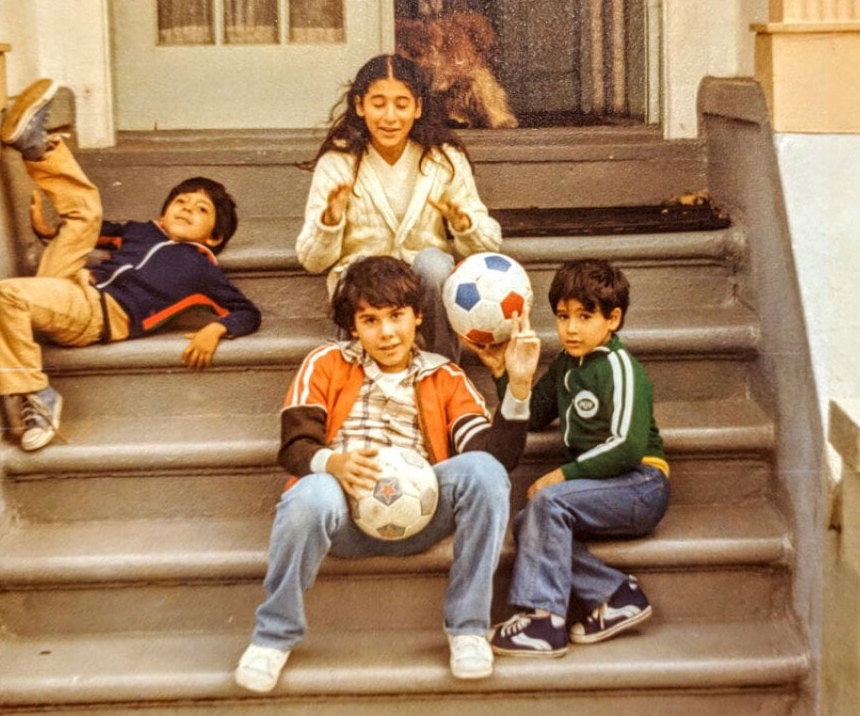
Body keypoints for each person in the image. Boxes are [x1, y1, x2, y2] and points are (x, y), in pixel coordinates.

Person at [234, 255, 540, 692]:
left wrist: (520, 387)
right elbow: (295, 445)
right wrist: (333, 463)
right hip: (342, 517)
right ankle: (272, 637)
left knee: (485, 472)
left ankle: (468, 630)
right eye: (370, 320)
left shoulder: (444, 375)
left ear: (418, 316)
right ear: (353, 327)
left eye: (396, 316)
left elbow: (495, 456)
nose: (387, 332)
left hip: (422, 514)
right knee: (309, 494)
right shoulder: (326, 361)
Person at [0, 79, 262, 451]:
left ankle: (37, 396)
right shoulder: (141, 231)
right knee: (86, 213)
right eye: (180, 202)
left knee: (6, 295)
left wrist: (215, 330)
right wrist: (50, 231)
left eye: (201, 210)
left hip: (97, 314)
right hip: (72, 286)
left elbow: (247, 312)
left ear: (214, 237)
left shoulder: (200, 267)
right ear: (163, 214)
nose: (186, 209)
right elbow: (89, 229)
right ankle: (37, 148)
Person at [468, 259, 669, 657]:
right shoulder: (566, 364)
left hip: (640, 484)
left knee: (547, 502)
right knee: (529, 523)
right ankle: (616, 594)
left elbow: (627, 447)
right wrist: (507, 375)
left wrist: (563, 475)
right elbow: (535, 414)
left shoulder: (620, 368)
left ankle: (543, 619)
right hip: (601, 486)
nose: (571, 328)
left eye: (584, 317)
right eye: (563, 317)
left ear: (613, 319)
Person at [295, 54, 502, 361]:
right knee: (355, 272)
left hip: (421, 284)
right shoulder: (338, 162)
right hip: (365, 286)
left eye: (401, 105)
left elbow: (488, 246)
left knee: (435, 264)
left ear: (418, 107)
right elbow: (312, 260)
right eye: (378, 104)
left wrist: (464, 225)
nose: (390, 117)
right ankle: (355, 372)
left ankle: (442, 369)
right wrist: (330, 219)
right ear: (359, 105)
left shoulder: (443, 159)